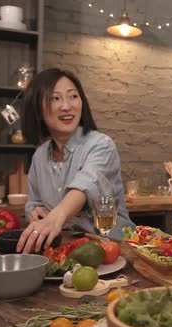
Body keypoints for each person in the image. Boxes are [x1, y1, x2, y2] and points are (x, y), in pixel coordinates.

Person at [16, 68, 135, 253]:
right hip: (67, 253)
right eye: (55, 98)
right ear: (37, 108)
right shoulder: (39, 157)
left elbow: (85, 185)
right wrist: (35, 211)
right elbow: (34, 201)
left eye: (73, 96)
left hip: (113, 250)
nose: (66, 106)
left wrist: (54, 218)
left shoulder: (101, 145)